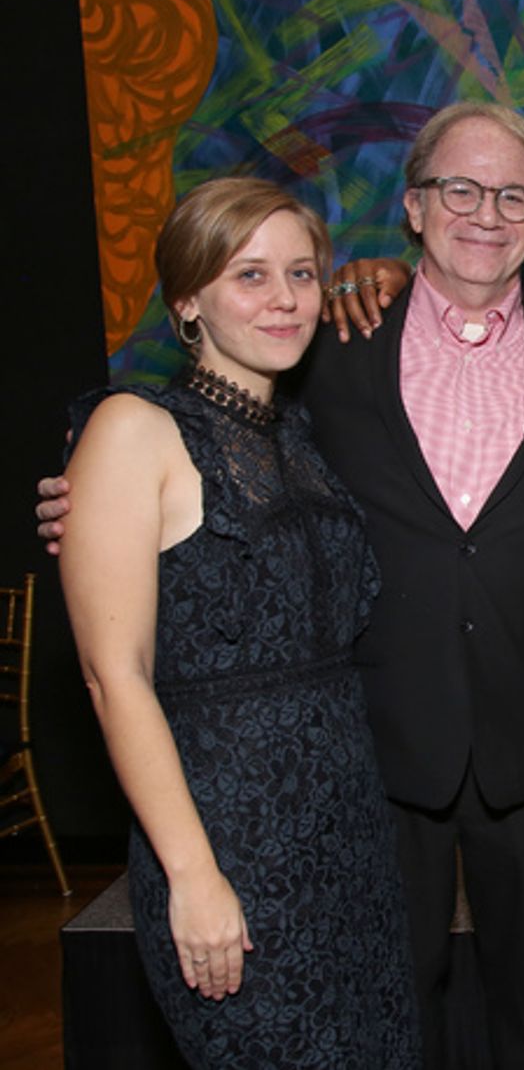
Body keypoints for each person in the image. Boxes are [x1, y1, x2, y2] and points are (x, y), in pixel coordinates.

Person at [45, 103, 524, 1070]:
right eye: (460, 189)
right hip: (372, 759)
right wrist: (89, 500)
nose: (487, 212)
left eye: (514, 194)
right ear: (415, 208)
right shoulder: (335, 350)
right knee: (386, 1003)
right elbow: (162, 518)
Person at [58, 177, 420, 1068]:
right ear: (188, 298)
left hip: (349, 838)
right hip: (228, 842)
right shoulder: (133, 429)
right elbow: (116, 676)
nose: (286, 298)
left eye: (302, 273)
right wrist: (192, 874)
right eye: (249, 275)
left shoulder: (296, 435)